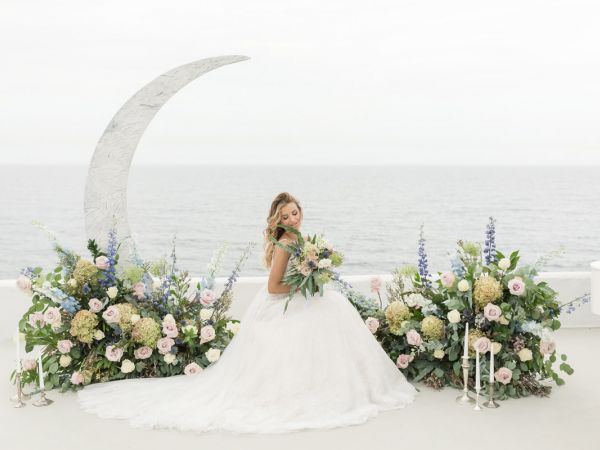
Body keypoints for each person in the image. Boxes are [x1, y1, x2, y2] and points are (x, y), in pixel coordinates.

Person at [77, 192, 417, 434]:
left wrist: (316, 273)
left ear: (301, 211)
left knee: (336, 308)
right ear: (277, 221)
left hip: (303, 298)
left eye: (294, 212)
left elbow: (306, 269)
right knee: (333, 310)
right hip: (284, 302)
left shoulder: (302, 238)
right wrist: (304, 283)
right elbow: (273, 287)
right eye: (284, 216)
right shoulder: (286, 242)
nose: (291, 219)